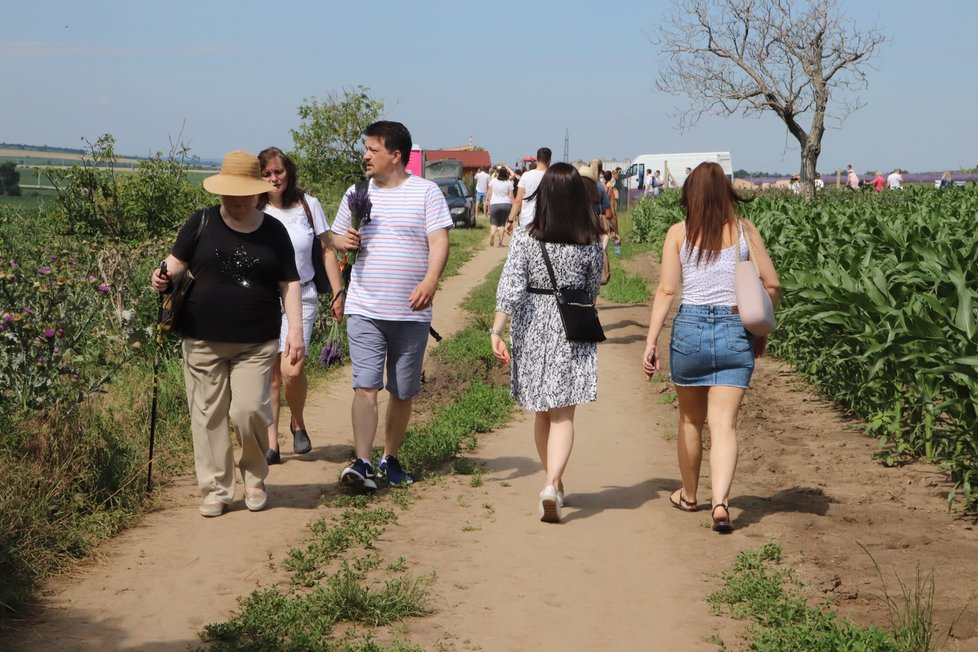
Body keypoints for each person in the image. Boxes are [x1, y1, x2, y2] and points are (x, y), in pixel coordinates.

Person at [150, 150, 304, 516]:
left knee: (248, 410)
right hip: (201, 339)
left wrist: (294, 331)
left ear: (257, 191)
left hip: (257, 341)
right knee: (208, 415)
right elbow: (174, 266)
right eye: (228, 192)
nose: (235, 200)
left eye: (242, 192)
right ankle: (217, 489)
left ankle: (254, 477)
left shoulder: (274, 231)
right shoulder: (201, 222)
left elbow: (290, 284)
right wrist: (160, 277)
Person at [642, 162, 780, 533]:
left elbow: (668, 290)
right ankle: (720, 503)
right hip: (735, 330)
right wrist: (760, 329)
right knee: (724, 425)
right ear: (726, 194)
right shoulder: (744, 232)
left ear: (691, 195)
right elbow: (772, 285)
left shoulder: (678, 233)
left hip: (689, 329)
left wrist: (652, 340)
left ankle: (689, 495)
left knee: (689, 419)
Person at [331, 121, 452, 491]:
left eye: (372, 149)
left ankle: (390, 458)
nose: (366, 156)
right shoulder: (357, 192)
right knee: (365, 386)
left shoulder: (427, 193)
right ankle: (363, 462)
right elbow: (334, 237)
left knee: (402, 390)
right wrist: (344, 240)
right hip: (365, 306)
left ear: (395, 155)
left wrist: (430, 281)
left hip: (411, 313)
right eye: (365, 149)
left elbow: (439, 242)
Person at [490, 162, 604, 523]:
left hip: (531, 325)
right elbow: (591, 290)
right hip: (570, 325)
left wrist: (496, 329)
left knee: (541, 410)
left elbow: (511, 284)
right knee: (564, 412)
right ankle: (553, 483)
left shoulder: (525, 237)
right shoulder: (589, 239)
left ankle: (551, 482)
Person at [257, 147, 345, 465]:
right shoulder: (255, 208)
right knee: (270, 374)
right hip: (264, 298)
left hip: (303, 293)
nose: (273, 178)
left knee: (292, 370)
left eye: (278, 171)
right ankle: (271, 444)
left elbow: (326, 249)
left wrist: (337, 291)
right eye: (266, 173)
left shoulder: (309, 205)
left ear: (288, 171)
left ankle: (297, 422)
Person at [507, 146, 550, 233]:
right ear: (550, 160)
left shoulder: (526, 175)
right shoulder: (553, 176)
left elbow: (518, 201)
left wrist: (510, 220)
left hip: (527, 221)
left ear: (537, 159)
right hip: (547, 222)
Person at [486, 165, 513, 247]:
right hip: (506, 204)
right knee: (502, 224)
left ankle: (493, 234)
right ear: (506, 174)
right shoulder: (509, 182)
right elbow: (511, 196)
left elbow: (490, 193)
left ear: (498, 173)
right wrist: (513, 206)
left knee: (494, 223)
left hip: (494, 204)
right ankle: (500, 243)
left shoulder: (493, 181)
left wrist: (489, 204)